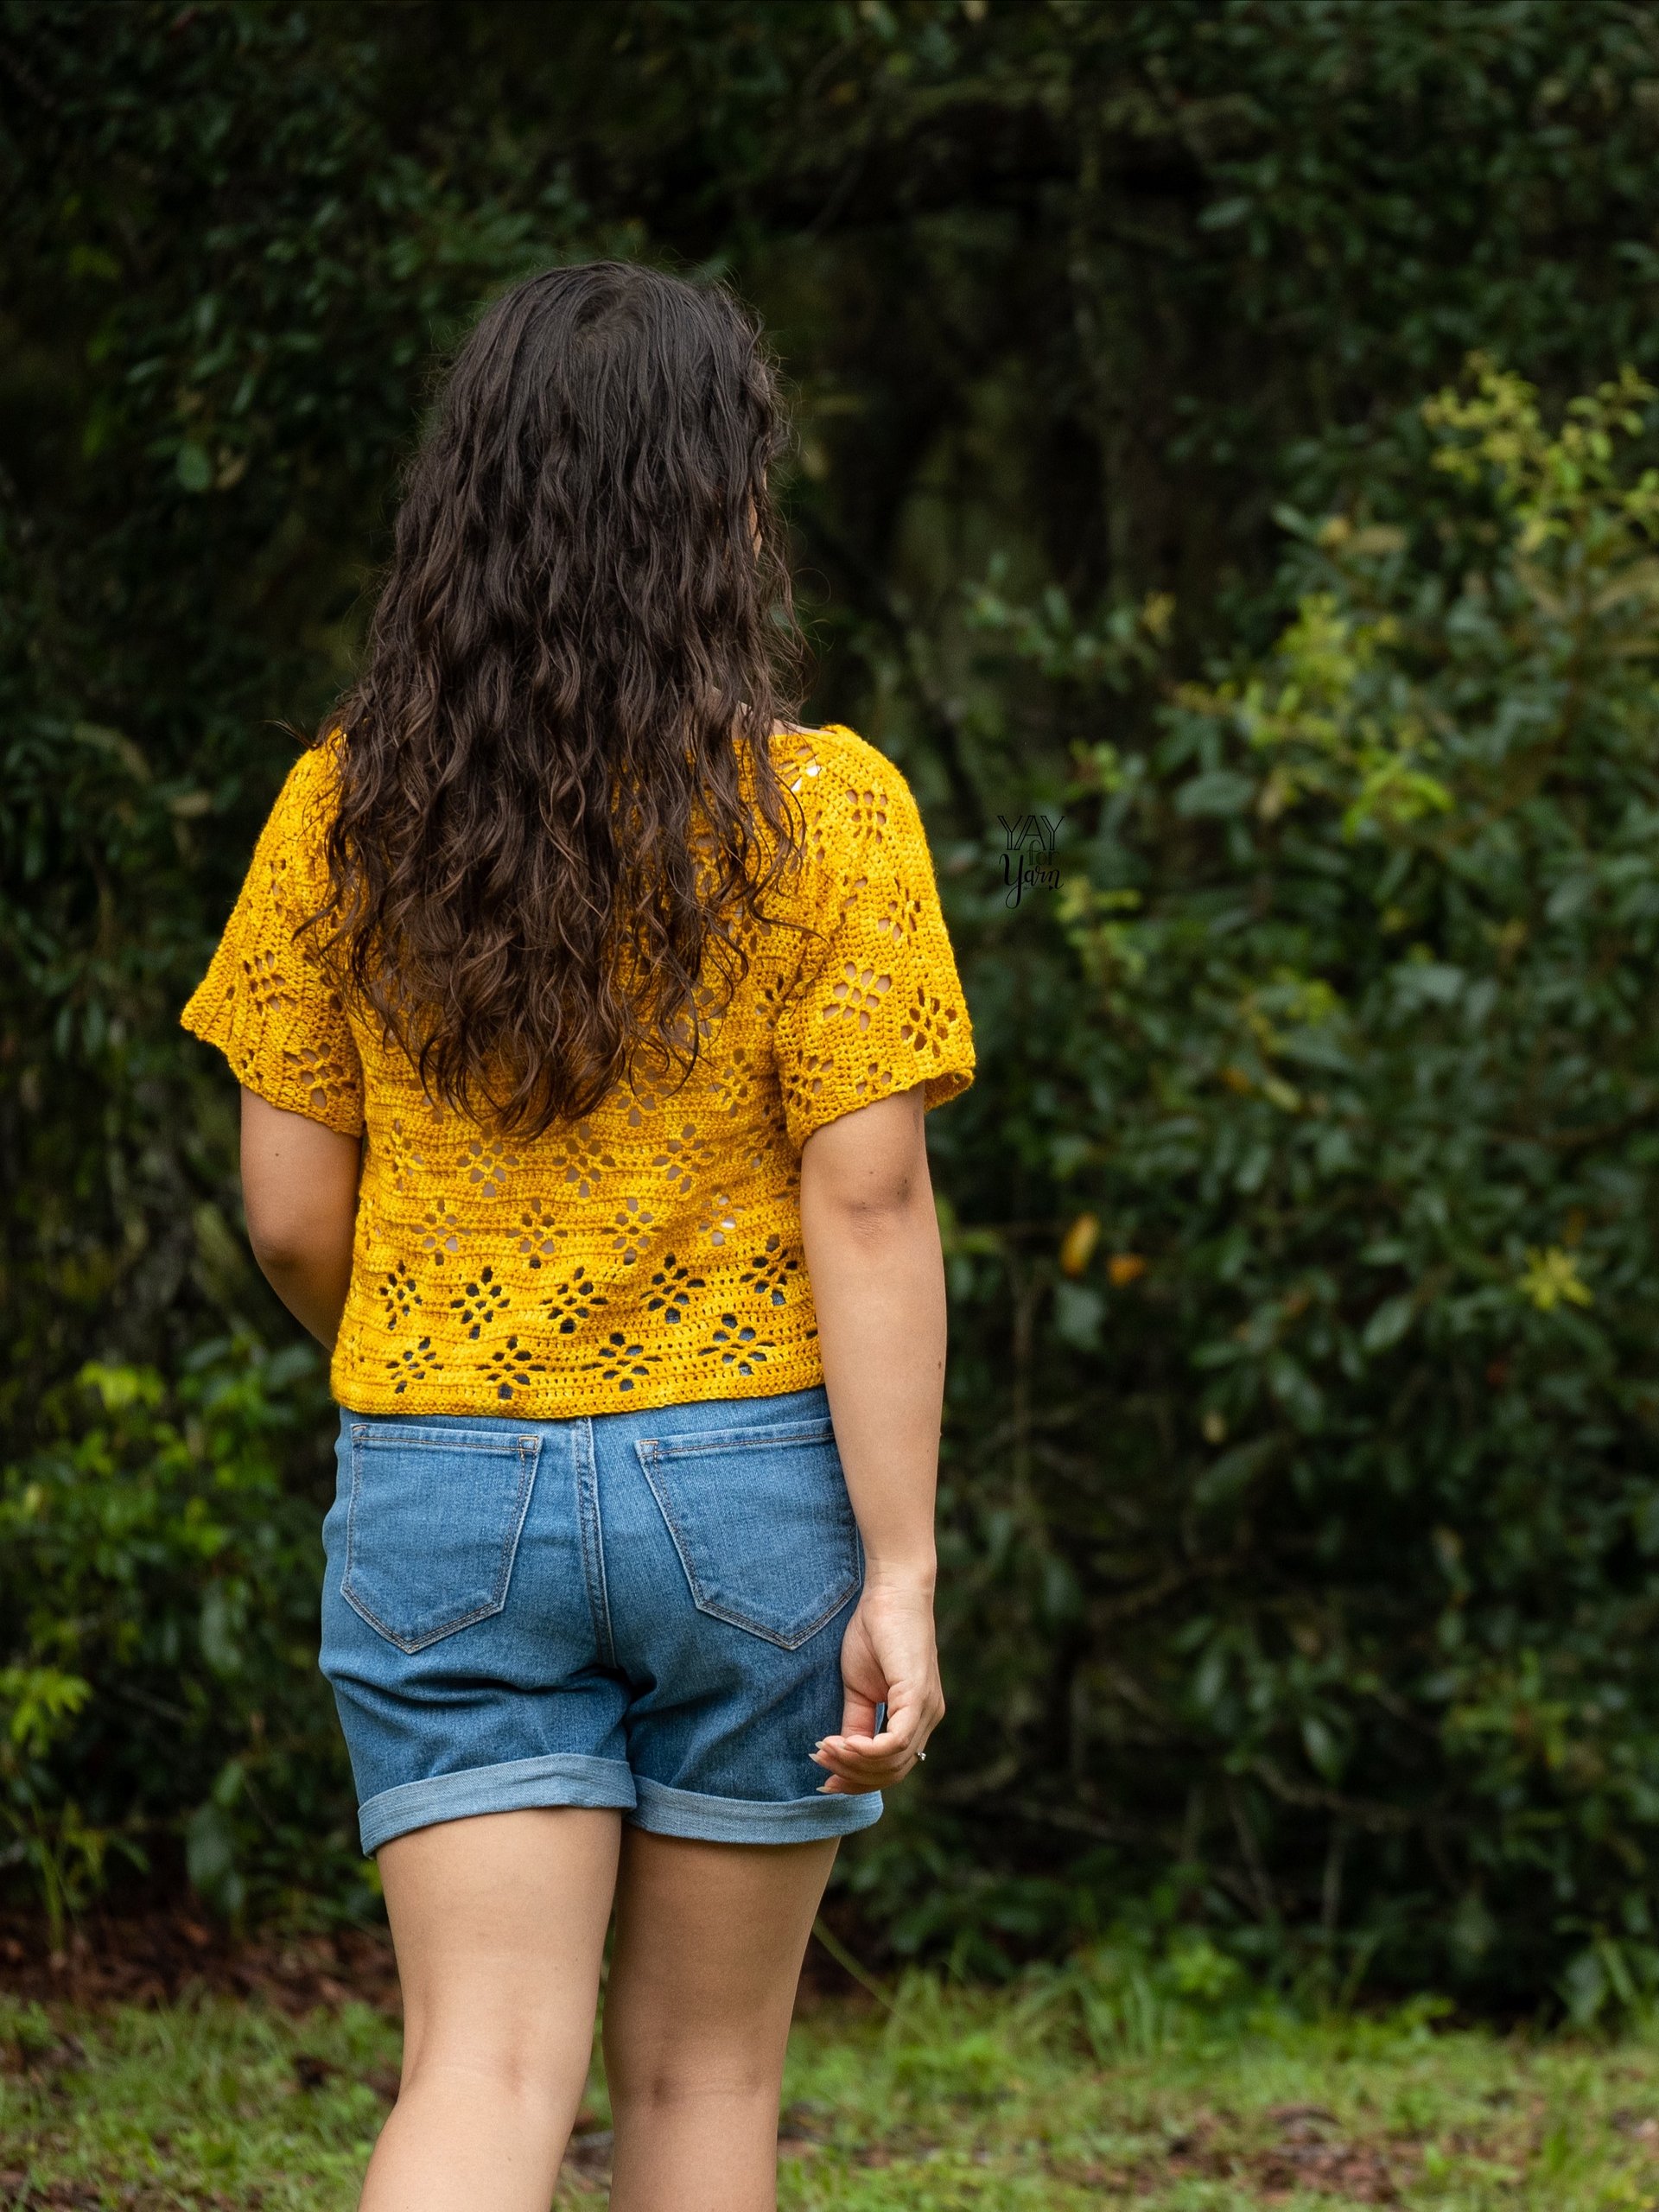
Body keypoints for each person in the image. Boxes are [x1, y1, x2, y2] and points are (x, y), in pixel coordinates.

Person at [181, 260, 974, 2212]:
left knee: (482, 2064)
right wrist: (901, 1565)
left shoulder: (340, 817)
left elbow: (288, 1211)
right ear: (725, 510)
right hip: (753, 1495)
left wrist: (442, 1375)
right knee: (705, 2083)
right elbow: (869, 1199)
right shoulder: (831, 817)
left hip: (442, 1481)